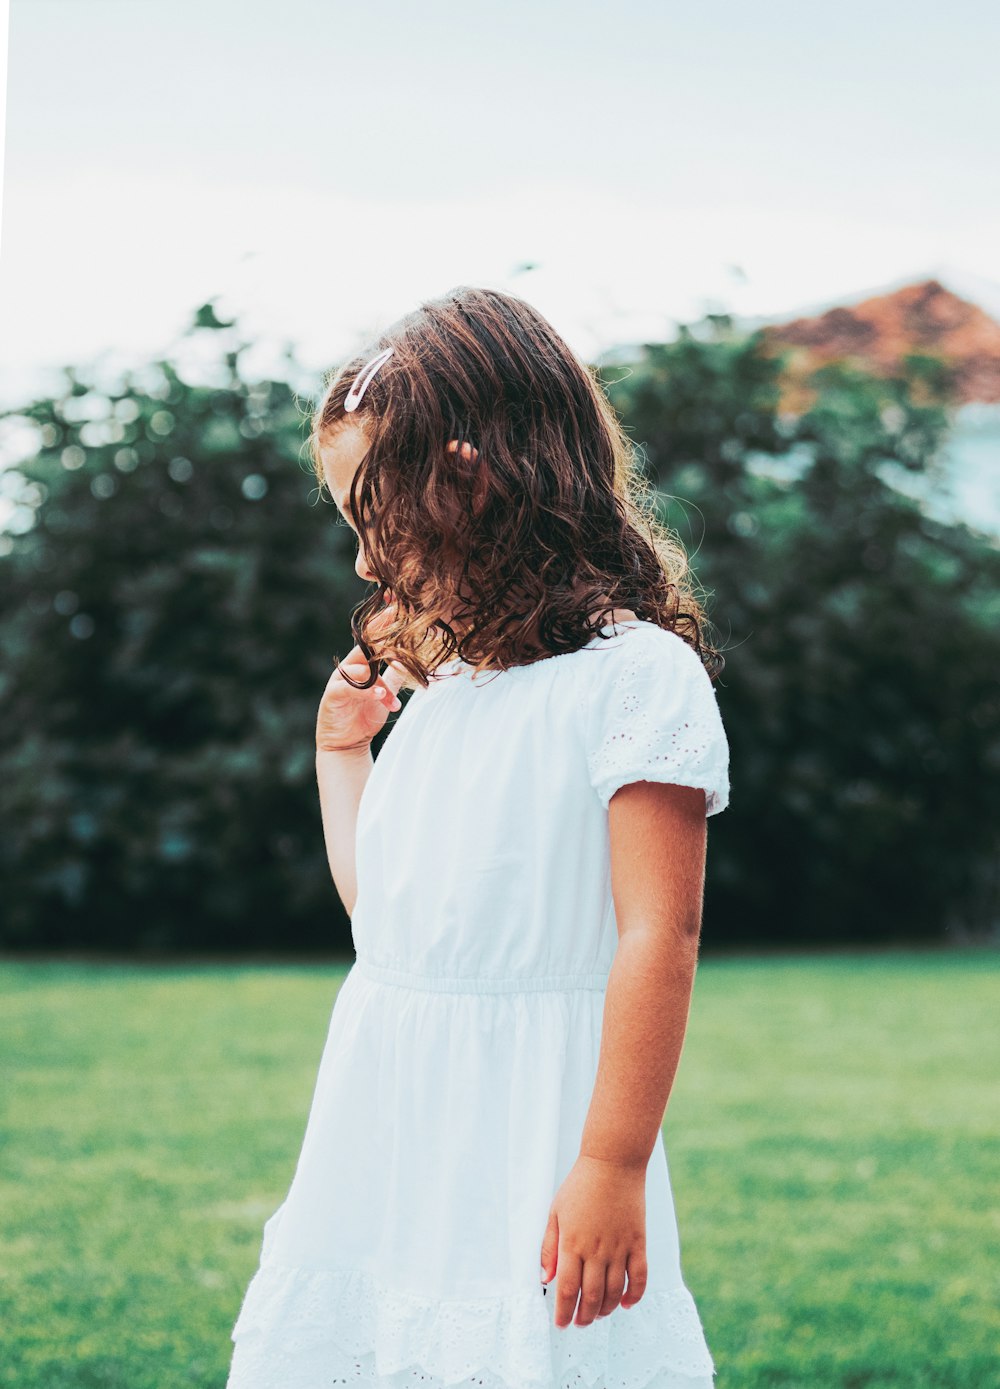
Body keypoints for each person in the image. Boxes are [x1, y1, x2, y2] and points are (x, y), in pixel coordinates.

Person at [225, 285, 731, 1389]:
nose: (364, 563)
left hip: (534, 1124)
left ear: (469, 477)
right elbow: (392, 923)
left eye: (376, 517)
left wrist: (610, 1166)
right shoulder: (444, 684)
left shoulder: (635, 679)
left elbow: (662, 939)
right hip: (390, 1115)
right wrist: (339, 759)